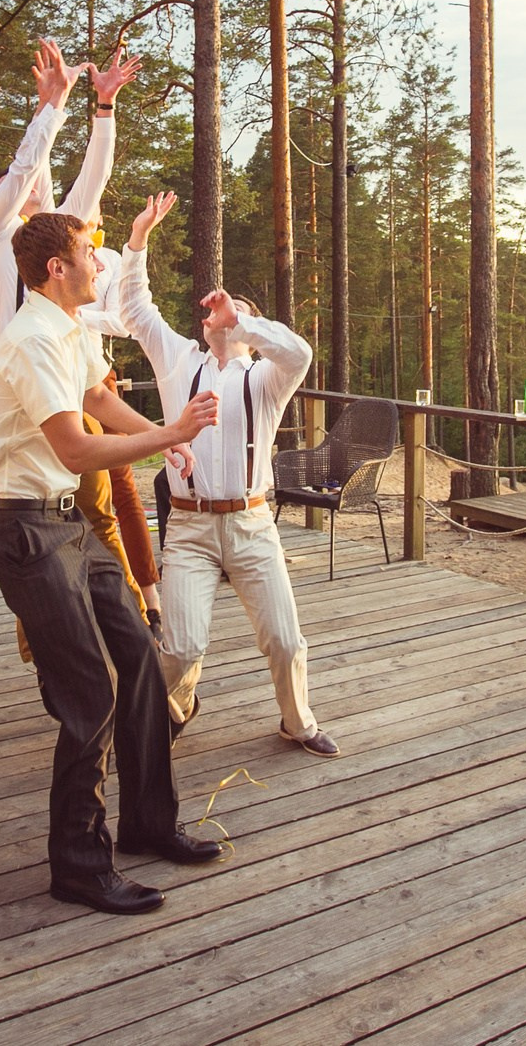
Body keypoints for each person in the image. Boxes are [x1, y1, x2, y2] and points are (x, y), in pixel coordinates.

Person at [0, 211, 225, 915]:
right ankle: (80, 864)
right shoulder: (29, 340)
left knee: (142, 660)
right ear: (57, 268)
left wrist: (159, 435)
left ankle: (149, 823)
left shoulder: (71, 329)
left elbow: (95, 399)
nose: (99, 262)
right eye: (89, 252)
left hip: (67, 522)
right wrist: (171, 433)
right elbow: (75, 450)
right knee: (91, 693)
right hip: (24, 529)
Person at [119, 192, 341, 757]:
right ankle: (175, 706)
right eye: (222, 311)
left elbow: (301, 353)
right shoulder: (177, 361)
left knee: (286, 641)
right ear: (203, 322)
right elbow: (136, 307)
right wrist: (140, 237)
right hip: (190, 530)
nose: (226, 315)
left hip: (252, 527)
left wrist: (244, 318)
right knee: (180, 648)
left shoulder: (266, 379)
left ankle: (298, 723)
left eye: (240, 314)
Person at [0, 38, 161, 628]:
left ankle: (136, 620)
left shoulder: (54, 242)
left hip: (73, 382)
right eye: (19, 190)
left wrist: (102, 110)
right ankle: (51, 653)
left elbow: (87, 184)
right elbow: (29, 166)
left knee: (101, 509)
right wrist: (47, 110)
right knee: (32, 524)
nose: (32, 189)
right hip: (21, 398)